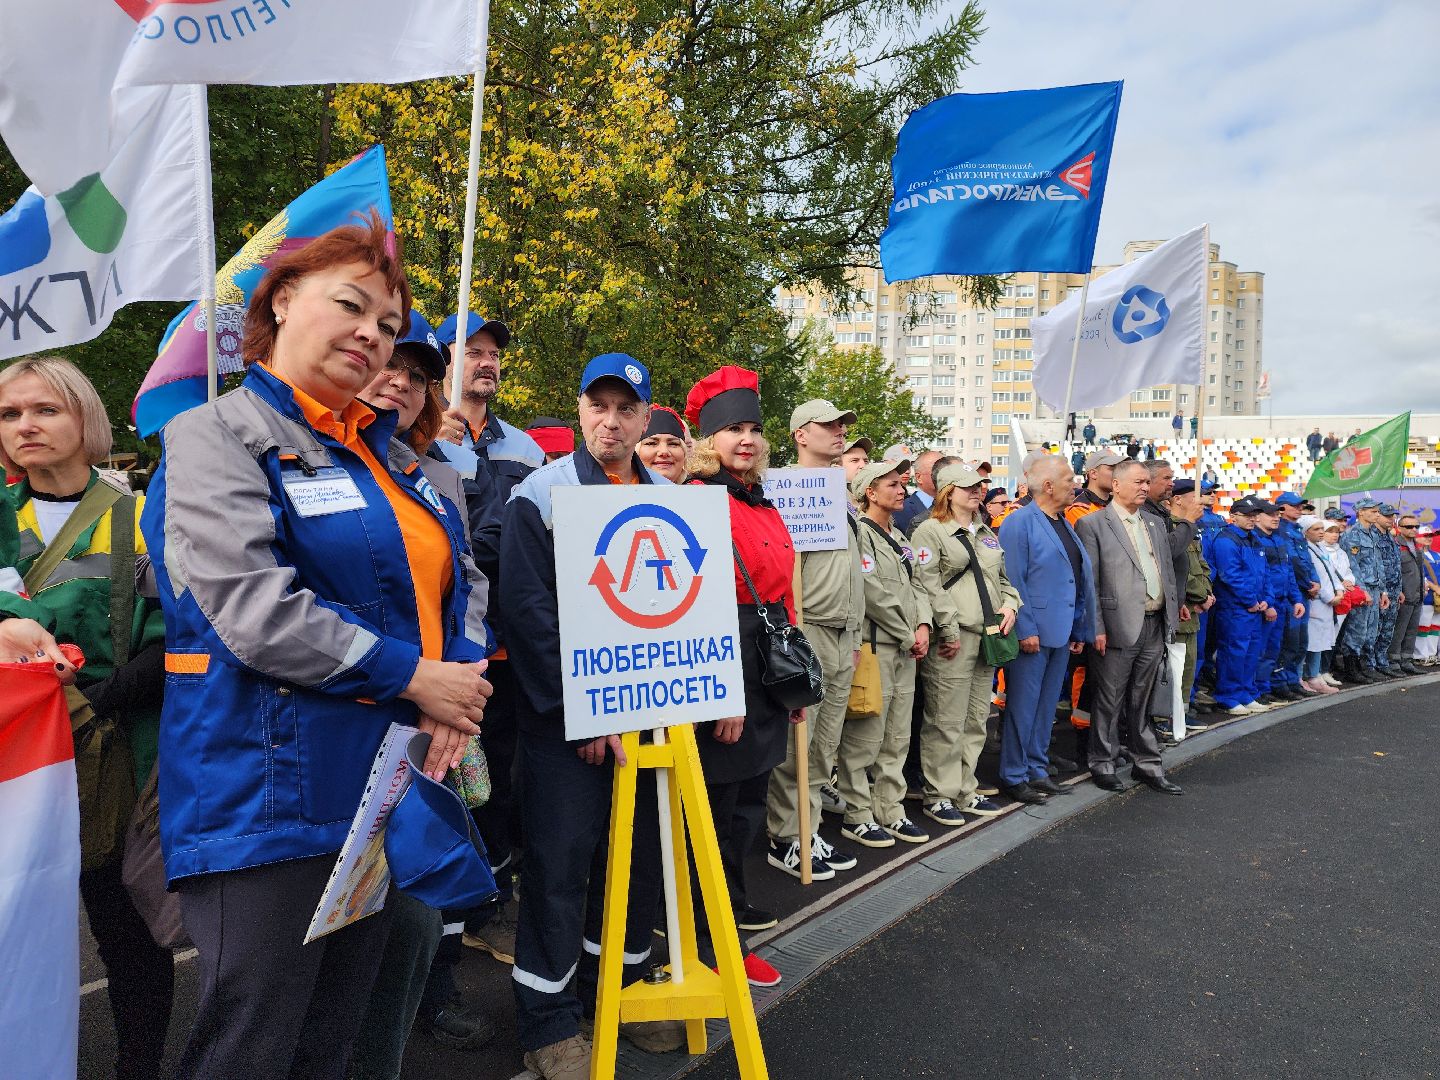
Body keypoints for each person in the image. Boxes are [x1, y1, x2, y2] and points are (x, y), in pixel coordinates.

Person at [141, 219, 495, 1079]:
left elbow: (463, 577)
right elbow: (255, 611)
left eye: (388, 322)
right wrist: (417, 677)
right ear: (283, 301)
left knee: (336, 1044)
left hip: (379, 792)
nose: (373, 334)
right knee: (251, 1050)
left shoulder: (388, 454)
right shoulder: (213, 435)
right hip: (266, 799)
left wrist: (462, 679)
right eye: (352, 305)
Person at [502, 354, 676, 1078]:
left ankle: (623, 993)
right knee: (560, 866)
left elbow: (686, 608)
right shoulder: (539, 494)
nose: (612, 420)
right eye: (598, 405)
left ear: (644, 419)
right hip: (565, 728)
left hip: (649, 722)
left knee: (634, 864)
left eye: (626, 409)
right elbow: (529, 615)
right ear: (580, 410)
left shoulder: (670, 495)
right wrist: (585, 712)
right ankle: (549, 1023)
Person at [1, 356, 173, 1080]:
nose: (25, 426)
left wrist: (94, 701)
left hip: (111, 760)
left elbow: (180, 639)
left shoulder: (139, 518)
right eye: (9, 414)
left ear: (85, 418)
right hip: (14, 774)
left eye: (45, 409)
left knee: (129, 939)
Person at [683, 365, 801, 975]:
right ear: (708, 438)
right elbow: (696, 603)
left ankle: (728, 911)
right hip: (725, 662)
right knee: (719, 810)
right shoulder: (698, 498)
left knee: (749, 802)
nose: (746, 439)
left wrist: (794, 680)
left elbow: (781, 595)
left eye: (753, 427)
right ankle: (715, 941)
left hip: (766, 661)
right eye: (732, 428)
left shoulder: (763, 500)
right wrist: (721, 691)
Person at [765, 398, 862, 881]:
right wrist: (792, 634)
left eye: (842, 425)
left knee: (825, 742)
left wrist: (858, 630)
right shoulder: (784, 487)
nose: (839, 432)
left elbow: (855, 570)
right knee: (797, 740)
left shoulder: (841, 492)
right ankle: (788, 835)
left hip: (843, 630)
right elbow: (784, 565)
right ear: (801, 434)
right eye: (828, 426)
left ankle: (811, 826)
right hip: (810, 627)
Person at [911, 461, 1019, 824]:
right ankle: (939, 793)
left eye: (980, 486)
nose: (978, 491)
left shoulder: (985, 530)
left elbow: (1003, 579)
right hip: (952, 639)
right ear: (948, 492)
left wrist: (1011, 605)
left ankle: (964, 788)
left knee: (975, 719)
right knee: (945, 719)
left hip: (986, 635)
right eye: (969, 486)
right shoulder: (930, 531)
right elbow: (927, 584)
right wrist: (949, 627)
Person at [836, 459, 933, 847]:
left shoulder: (903, 539)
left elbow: (920, 586)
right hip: (877, 647)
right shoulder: (860, 533)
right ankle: (857, 813)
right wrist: (908, 633)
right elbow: (872, 591)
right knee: (864, 737)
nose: (901, 490)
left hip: (906, 648)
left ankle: (890, 808)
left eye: (902, 484)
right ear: (869, 492)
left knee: (897, 735)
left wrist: (923, 625)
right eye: (892, 484)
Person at [1075, 459, 1183, 794]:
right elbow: (1088, 582)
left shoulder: (1153, 523)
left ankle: (1147, 764)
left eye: (1146, 483)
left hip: (1153, 622)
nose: (1144, 488)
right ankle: (1102, 763)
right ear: (1116, 485)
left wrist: (1171, 613)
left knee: (1144, 699)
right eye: (1137, 482)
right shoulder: (1093, 524)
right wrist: (1096, 628)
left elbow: (1165, 571)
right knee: (1109, 701)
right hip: (1116, 626)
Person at [996, 454, 1094, 803]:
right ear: (1048, 485)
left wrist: (1079, 628)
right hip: (1033, 632)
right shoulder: (1018, 523)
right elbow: (1013, 580)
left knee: (1046, 705)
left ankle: (1036, 768)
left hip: (1061, 631)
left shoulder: (1062, 521)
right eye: (1069, 479)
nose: (1075, 485)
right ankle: (1014, 774)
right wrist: (1025, 629)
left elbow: (1074, 578)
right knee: (1023, 707)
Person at [1251, 503, 1308, 703]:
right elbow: (1259, 577)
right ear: (1257, 517)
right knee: (1262, 650)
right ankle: (1259, 689)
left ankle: (1274, 685)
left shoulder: (1279, 538)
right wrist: (1269, 603)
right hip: (1268, 603)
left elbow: (1289, 572)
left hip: (1284, 602)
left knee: (1279, 648)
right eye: (1270, 515)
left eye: (1277, 514)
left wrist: (1296, 599)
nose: (1276, 518)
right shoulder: (1255, 539)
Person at [1169, 480, 1214, 727]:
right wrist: (1199, 596)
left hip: (1196, 607)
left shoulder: (1191, 529)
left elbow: (1202, 565)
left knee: (1189, 665)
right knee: (1176, 668)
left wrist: (1208, 592)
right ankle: (1169, 716)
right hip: (1184, 606)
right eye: (1194, 496)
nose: (1201, 502)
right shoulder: (1173, 527)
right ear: (1178, 499)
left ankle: (1181, 713)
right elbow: (1180, 571)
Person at [1334, 499, 1387, 683]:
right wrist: (1362, 590)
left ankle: (1363, 666)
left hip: (1374, 589)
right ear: (1361, 512)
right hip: (1360, 590)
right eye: (1373, 511)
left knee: (1370, 631)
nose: (1377, 514)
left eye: (1377, 511)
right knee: (1356, 631)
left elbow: (1378, 563)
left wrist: (1383, 591)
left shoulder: (1372, 534)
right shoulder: (1352, 535)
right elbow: (1352, 565)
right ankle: (1351, 669)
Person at [1299, 515, 1343, 695]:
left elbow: (1331, 573)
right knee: (1311, 641)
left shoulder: (1320, 548)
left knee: (1321, 640)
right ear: (1305, 531)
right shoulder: (1306, 549)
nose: (1321, 532)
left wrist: (1339, 591)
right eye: (1316, 529)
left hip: (1329, 600)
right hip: (1318, 600)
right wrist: (1329, 597)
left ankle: (1315, 675)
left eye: (1321, 529)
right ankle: (1306, 676)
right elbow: (1315, 576)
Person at [1372, 503, 1405, 676]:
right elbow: (1377, 567)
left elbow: (1395, 565)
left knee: (1388, 629)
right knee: (1375, 630)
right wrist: (1382, 590)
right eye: (1387, 516)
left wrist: (1398, 589)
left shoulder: (1390, 538)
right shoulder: (1373, 537)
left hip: (1393, 591)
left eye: (1393, 516)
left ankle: (1382, 661)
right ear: (1377, 516)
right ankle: (1371, 664)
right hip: (1380, 591)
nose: (1391, 519)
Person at [1391, 514, 1425, 674]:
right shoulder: (1395, 545)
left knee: (1412, 631)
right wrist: (1398, 591)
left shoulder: (1417, 546)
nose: (1413, 530)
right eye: (1409, 527)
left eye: (1416, 526)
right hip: (1403, 596)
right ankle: (1393, 661)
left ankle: (1407, 660)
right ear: (1399, 528)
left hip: (1417, 596)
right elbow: (1393, 571)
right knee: (1399, 631)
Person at [635, 405, 689, 484]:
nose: (664, 452)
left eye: (673, 444)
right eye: (651, 443)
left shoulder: (701, 494)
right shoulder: (616, 494)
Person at [895, 448, 941, 535]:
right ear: (919, 477)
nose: (944, 473)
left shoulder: (958, 507)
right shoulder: (900, 512)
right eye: (937, 469)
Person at [1416, 525, 1440, 665]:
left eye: (1430, 535)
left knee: (1435, 627)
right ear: (1418, 537)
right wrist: (1434, 587)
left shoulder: (1437, 554)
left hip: (1437, 597)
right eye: (1425, 536)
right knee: (1423, 626)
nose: (1429, 538)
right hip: (1426, 596)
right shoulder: (1417, 554)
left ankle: (1431, 654)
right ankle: (1420, 655)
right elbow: (1419, 576)